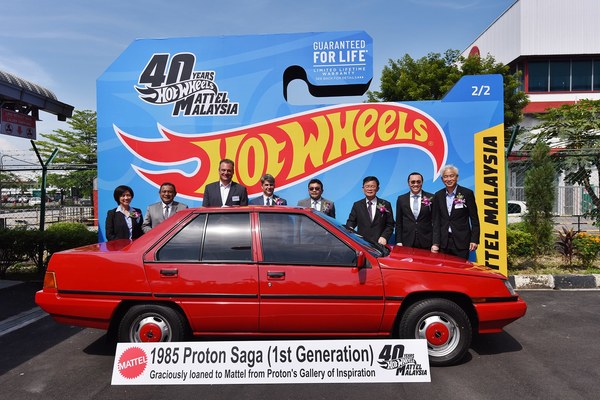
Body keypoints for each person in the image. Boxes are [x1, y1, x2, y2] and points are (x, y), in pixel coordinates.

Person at [431, 165, 480, 259]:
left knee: (460, 270)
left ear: (457, 177)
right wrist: (435, 243)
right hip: (443, 242)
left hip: (461, 241)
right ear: (442, 179)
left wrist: (474, 240)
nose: (449, 179)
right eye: (446, 176)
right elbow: (436, 221)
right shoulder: (438, 195)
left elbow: (474, 219)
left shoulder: (467, 193)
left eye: (451, 176)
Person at [346, 176, 394, 245]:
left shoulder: (385, 204)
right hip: (362, 243)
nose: (369, 189)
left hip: (380, 244)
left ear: (377, 189)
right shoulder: (357, 205)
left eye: (372, 186)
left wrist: (384, 237)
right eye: (367, 186)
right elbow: (351, 221)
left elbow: (390, 224)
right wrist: (350, 228)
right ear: (363, 189)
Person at [395, 172, 434, 250]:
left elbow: (435, 221)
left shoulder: (431, 197)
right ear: (408, 183)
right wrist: (399, 241)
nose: (415, 184)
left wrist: (435, 243)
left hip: (427, 241)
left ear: (422, 182)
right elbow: (399, 222)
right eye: (413, 182)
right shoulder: (401, 199)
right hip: (407, 241)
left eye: (418, 182)